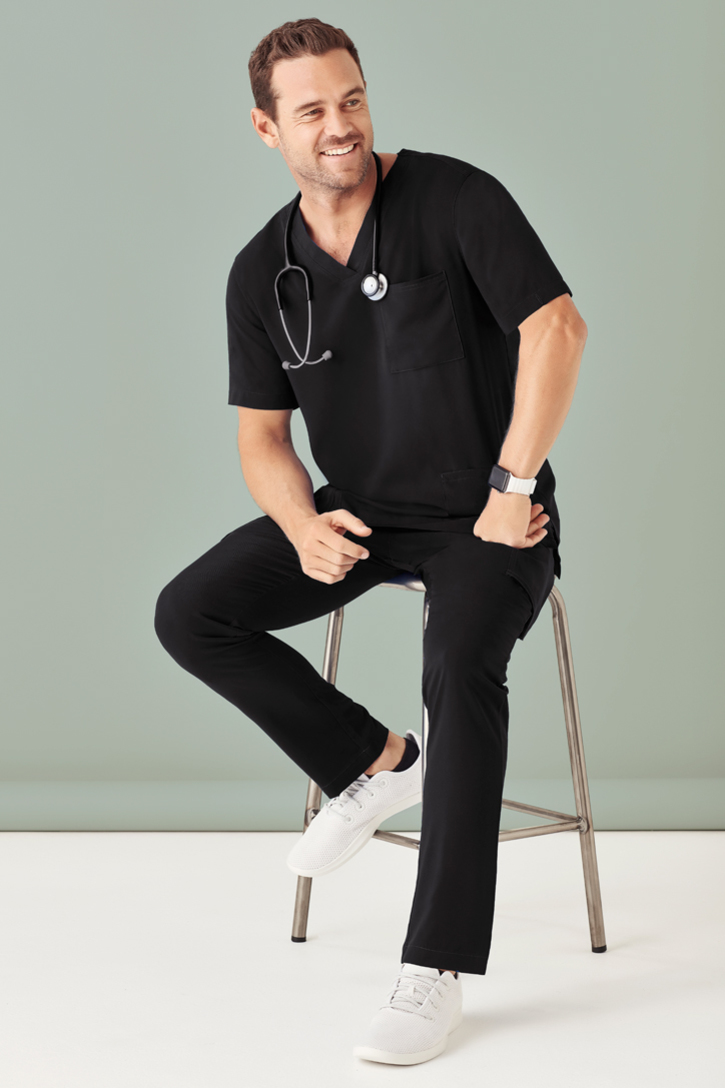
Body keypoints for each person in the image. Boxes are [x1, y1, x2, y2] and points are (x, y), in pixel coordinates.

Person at [154, 17, 587, 1066]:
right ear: (267, 130)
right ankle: (372, 760)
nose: (340, 125)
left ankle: (434, 965)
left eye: (350, 99)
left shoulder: (454, 199)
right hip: (362, 512)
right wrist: (299, 523)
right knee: (190, 612)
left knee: (457, 664)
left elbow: (556, 328)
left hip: (490, 512)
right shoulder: (261, 272)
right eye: (311, 110)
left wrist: (509, 485)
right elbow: (262, 436)